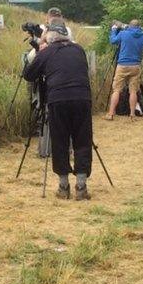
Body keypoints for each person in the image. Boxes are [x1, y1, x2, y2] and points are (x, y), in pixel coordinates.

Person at [23, 18, 93, 200]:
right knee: (82, 140)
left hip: (58, 100)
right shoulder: (79, 50)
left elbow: (29, 75)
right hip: (82, 98)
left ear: (50, 38)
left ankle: (63, 186)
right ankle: (81, 185)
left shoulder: (47, 52)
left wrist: (39, 48)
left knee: (60, 141)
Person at [105, 19, 143, 121]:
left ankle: (111, 114)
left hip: (122, 65)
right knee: (133, 91)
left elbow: (113, 41)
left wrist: (114, 30)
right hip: (136, 65)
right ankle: (132, 114)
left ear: (130, 25)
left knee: (116, 90)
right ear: (139, 26)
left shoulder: (124, 34)